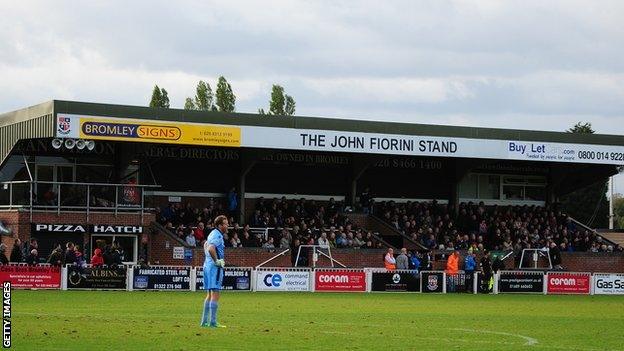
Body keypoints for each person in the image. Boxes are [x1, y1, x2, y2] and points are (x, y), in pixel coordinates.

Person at [200, 215, 227, 328]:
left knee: (209, 294)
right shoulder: (218, 236)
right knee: (215, 293)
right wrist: (216, 261)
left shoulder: (212, 233)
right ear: (220, 225)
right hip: (214, 268)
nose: (227, 226)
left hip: (207, 266)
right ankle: (213, 322)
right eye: (225, 224)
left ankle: (204, 322)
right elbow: (211, 248)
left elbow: (206, 245)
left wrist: (208, 259)